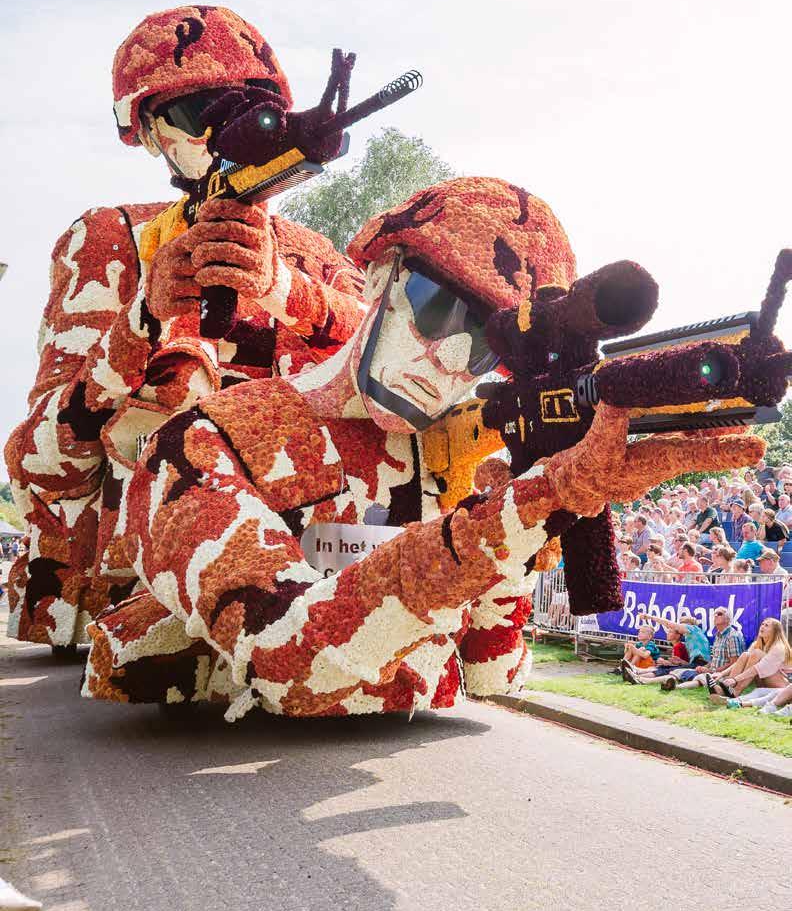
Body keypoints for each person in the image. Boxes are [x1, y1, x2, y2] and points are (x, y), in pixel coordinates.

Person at [78, 177, 763, 717]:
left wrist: (547, 514)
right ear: (380, 276)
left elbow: (493, 673)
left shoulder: (454, 456)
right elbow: (286, 662)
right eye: (438, 308)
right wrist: (534, 502)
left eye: (485, 345)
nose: (445, 356)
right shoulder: (204, 440)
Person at [4, 6, 367, 653]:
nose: (218, 132)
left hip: (301, 600)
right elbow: (43, 461)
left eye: (249, 109)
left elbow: (393, 384)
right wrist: (143, 322)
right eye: (194, 112)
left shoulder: (315, 256)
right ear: (148, 132)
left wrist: (289, 291)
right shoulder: (112, 241)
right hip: (131, 601)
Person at [707, 617, 792, 701]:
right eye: (762, 624)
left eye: (767, 625)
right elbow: (739, 662)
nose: (762, 627)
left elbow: (757, 669)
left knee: (757, 653)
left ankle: (735, 691)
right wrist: (721, 674)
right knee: (745, 655)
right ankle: (727, 688)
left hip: (781, 685)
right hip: (763, 681)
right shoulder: (757, 644)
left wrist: (735, 680)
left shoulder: (779, 647)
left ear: (775, 631)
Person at [662, 607, 745, 691]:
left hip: (723, 674)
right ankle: (666, 682)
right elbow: (715, 660)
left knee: (701, 678)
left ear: (728, 619)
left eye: (719, 614)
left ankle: (675, 687)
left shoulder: (732, 636)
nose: (716, 616)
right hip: (712, 670)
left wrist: (712, 670)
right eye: (714, 614)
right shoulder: (718, 636)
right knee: (679, 671)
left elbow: (735, 663)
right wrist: (704, 667)